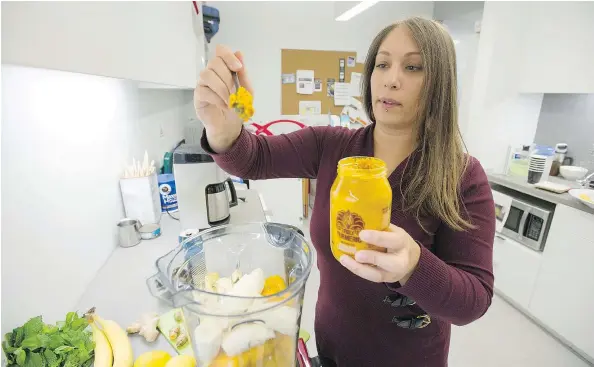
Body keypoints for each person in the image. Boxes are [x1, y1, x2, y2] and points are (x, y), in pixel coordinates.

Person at [195, 16, 495, 367]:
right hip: (335, 348)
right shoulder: (330, 146)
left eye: (413, 67)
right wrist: (222, 126)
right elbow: (254, 159)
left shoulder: (461, 176)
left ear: (439, 84)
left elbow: (473, 300)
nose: (391, 79)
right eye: (382, 64)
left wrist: (413, 264)